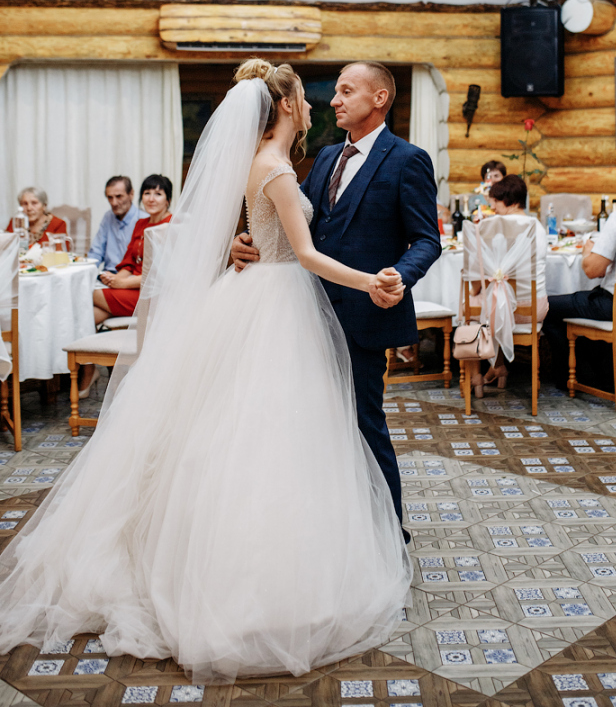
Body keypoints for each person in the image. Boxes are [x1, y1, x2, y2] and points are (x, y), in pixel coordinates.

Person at [0, 62, 412, 682]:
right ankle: (262, 578)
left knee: (249, 434)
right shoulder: (276, 166)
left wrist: (241, 244)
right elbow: (303, 252)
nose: (315, 106)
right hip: (281, 304)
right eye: (305, 98)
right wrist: (371, 283)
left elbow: (258, 232)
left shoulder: (268, 163)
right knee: (272, 437)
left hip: (266, 301)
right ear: (283, 106)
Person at [231, 60, 441, 540]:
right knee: (309, 425)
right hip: (302, 315)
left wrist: (398, 277)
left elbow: (428, 239)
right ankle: (330, 533)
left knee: (366, 422)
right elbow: (292, 221)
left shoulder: (408, 159)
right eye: (334, 92)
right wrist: (244, 240)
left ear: (379, 98)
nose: (334, 100)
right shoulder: (324, 157)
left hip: (365, 313)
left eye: (347, 91)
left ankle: (389, 534)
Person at [543, 167, 616, 390]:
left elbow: (593, 270)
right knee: (582, 302)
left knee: (546, 307)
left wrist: (588, 250)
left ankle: (575, 374)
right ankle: (600, 368)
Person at [82, 176, 172, 399]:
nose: (151, 199)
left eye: (158, 194)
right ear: (140, 197)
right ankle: (87, 366)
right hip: (134, 291)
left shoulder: (171, 225)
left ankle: (83, 367)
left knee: (87, 295)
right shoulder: (142, 224)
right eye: (147, 193)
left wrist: (121, 282)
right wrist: (115, 279)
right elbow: (128, 262)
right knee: (90, 313)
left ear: (168, 199)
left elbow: (163, 276)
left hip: (155, 297)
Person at [468, 174, 548, 393]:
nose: (492, 207)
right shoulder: (538, 227)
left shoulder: (491, 227)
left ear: (511, 201)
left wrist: (474, 290)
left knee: (470, 309)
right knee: (498, 301)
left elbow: (477, 277)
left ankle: (475, 376)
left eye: (496, 201)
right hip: (534, 309)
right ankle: (498, 367)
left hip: (505, 310)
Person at [88, 176, 147, 272]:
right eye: (110, 197)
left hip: (130, 279)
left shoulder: (144, 219)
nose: (114, 203)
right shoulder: (108, 217)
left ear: (131, 194)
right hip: (107, 276)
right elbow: (96, 252)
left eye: (119, 196)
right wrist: (88, 274)